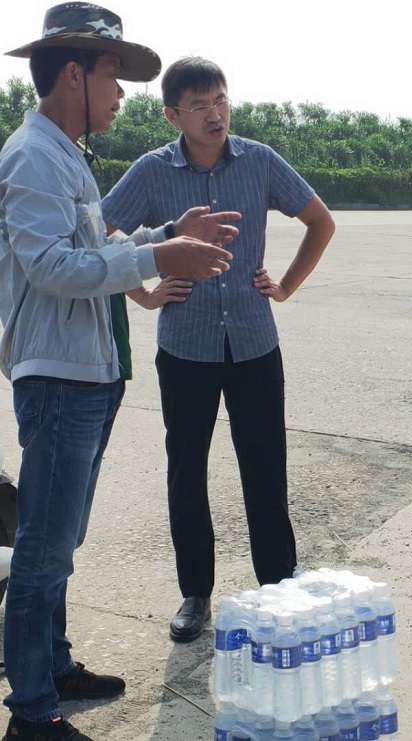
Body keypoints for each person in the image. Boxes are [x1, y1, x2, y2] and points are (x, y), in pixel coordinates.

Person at [0, 5, 241, 740]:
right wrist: (159, 256)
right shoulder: (32, 156)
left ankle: (54, 665)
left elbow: (94, 246)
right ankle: (32, 707)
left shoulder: (66, 154)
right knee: (44, 545)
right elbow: (52, 267)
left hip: (88, 369)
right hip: (58, 375)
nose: (121, 94)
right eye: (113, 75)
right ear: (73, 74)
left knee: (60, 538)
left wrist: (165, 233)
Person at [102, 56, 336, 644]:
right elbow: (100, 236)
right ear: (173, 115)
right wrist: (144, 294)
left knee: (265, 466)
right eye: (201, 105)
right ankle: (195, 593)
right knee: (187, 470)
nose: (216, 114)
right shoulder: (153, 172)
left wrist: (286, 285)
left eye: (222, 100)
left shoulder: (258, 160)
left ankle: (277, 586)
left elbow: (320, 222)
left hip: (254, 343)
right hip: (186, 347)